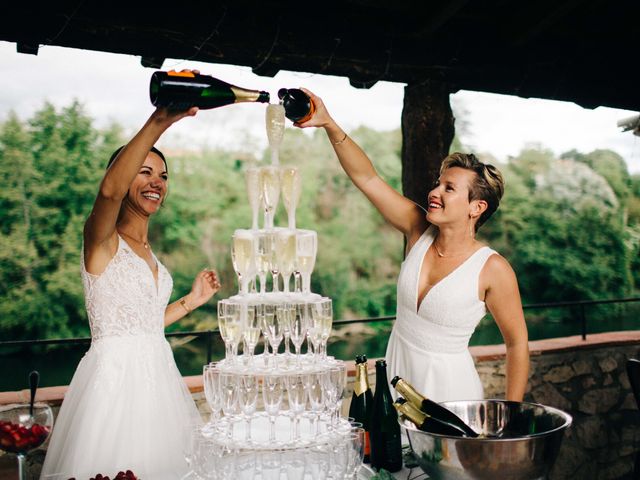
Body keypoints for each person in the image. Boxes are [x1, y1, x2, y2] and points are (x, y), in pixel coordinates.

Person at [296, 89, 529, 403]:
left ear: (476, 208)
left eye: (449, 188)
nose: (435, 192)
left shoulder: (492, 269)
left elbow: (517, 344)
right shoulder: (417, 229)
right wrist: (329, 124)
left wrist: (511, 414)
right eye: (438, 183)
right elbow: (368, 179)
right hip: (396, 388)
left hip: (451, 399)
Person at [41, 82, 220, 479]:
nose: (157, 182)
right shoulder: (101, 240)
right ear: (123, 179)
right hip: (114, 388)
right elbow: (108, 193)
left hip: (159, 381)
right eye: (144, 172)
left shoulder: (150, 252)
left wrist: (191, 301)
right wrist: (159, 122)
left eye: (163, 176)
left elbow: (142, 323)